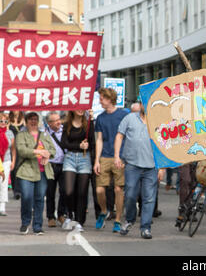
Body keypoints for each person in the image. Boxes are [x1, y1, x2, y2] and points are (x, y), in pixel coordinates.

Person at [114, 102, 163, 239]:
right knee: (129, 195)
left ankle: (146, 228)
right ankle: (129, 220)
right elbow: (119, 136)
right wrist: (117, 156)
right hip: (132, 164)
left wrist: (162, 167)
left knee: (149, 198)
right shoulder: (129, 118)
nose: (145, 104)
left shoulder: (158, 120)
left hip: (152, 166)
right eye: (142, 102)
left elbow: (164, 144)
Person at [93, 87, 129, 232]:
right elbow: (99, 140)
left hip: (120, 157)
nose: (100, 101)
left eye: (101, 98)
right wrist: (96, 160)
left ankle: (118, 220)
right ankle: (104, 211)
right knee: (100, 190)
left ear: (108, 99)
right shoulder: (100, 118)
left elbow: (127, 136)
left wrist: (124, 156)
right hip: (104, 157)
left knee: (118, 189)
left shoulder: (123, 115)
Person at [15, 112, 56, 235]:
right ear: (26, 122)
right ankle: (25, 222)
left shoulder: (44, 134)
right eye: (31, 119)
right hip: (26, 171)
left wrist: (47, 154)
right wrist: (38, 151)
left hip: (42, 172)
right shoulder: (21, 135)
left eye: (35, 119)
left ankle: (37, 226)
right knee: (27, 197)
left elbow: (53, 149)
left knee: (39, 199)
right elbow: (22, 150)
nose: (33, 122)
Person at [60, 110, 95, 232]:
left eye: (83, 107)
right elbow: (63, 143)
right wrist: (78, 146)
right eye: (78, 107)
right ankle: (70, 215)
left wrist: (87, 146)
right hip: (70, 158)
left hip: (84, 159)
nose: (80, 109)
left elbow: (92, 142)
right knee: (68, 191)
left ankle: (79, 221)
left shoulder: (88, 123)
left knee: (82, 192)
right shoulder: (67, 124)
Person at [45, 111, 67, 227]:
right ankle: (50, 217)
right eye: (55, 120)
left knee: (64, 190)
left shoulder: (66, 131)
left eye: (59, 119)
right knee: (50, 192)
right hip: (50, 165)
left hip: (64, 164)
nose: (58, 122)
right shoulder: (44, 134)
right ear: (49, 123)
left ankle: (61, 214)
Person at [0, 112, 15, 216]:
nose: (3, 123)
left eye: (6, 121)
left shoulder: (10, 133)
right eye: (1, 121)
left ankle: (2, 206)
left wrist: (13, 161)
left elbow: (13, 149)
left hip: (6, 160)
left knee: (4, 183)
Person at [9, 111, 25, 200]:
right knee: (14, 168)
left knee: (21, 168)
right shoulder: (9, 120)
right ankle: (16, 190)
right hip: (12, 147)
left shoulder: (23, 120)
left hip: (22, 146)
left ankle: (20, 190)